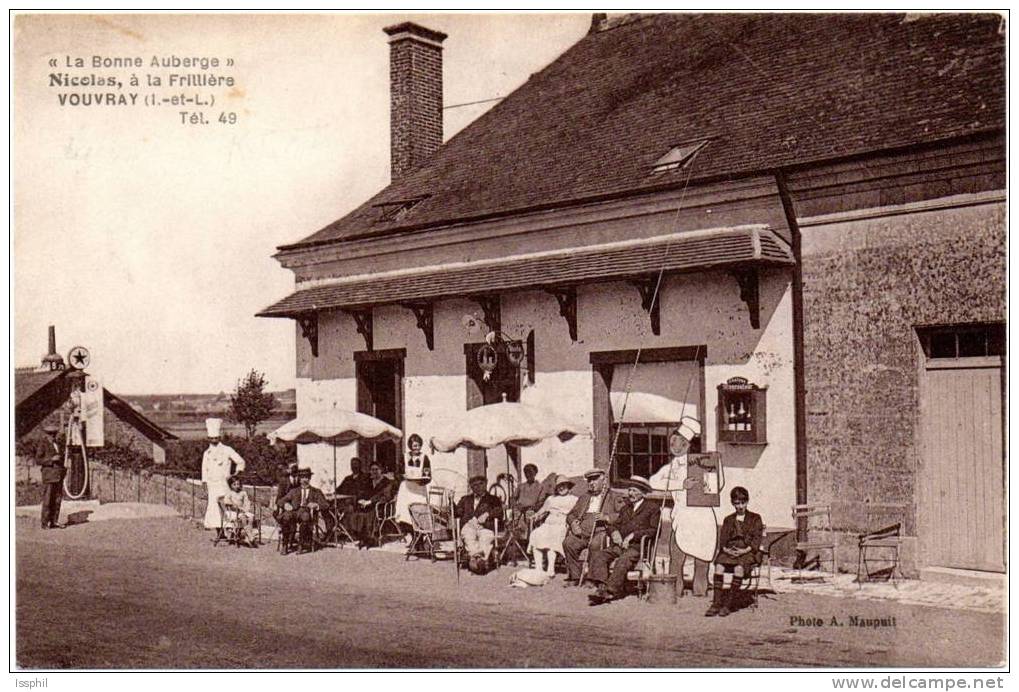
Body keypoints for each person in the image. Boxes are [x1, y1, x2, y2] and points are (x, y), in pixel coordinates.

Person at [649, 416, 717, 597]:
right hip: (683, 517)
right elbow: (653, 481)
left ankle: (700, 591)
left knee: (702, 558)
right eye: (672, 443)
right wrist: (680, 483)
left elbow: (716, 486)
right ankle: (675, 591)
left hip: (703, 517)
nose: (673, 446)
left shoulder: (704, 463)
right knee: (677, 556)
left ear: (687, 445)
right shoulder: (672, 467)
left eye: (677, 443)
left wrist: (708, 481)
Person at [588, 476, 660, 605]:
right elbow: (614, 525)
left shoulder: (652, 508)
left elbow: (654, 530)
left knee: (623, 560)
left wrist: (633, 535)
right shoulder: (625, 508)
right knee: (600, 556)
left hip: (637, 547)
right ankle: (602, 587)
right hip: (620, 545)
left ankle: (611, 591)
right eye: (629, 490)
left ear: (642, 492)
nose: (630, 493)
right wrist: (614, 532)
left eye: (634, 490)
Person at [707, 486, 764, 617]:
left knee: (739, 568)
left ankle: (728, 604)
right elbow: (723, 540)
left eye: (743, 502)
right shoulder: (728, 519)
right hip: (730, 551)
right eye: (737, 503)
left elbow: (756, 540)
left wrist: (743, 551)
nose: (740, 506)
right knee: (719, 566)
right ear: (733, 503)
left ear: (747, 501)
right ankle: (716, 603)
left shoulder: (755, 518)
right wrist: (727, 550)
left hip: (748, 551)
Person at [562, 468, 617, 586]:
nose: (591, 483)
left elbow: (622, 514)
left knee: (595, 544)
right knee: (568, 542)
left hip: (601, 531)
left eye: (595, 480)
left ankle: (593, 578)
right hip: (582, 532)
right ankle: (575, 577)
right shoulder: (584, 497)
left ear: (604, 480)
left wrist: (606, 517)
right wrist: (573, 524)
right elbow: (571, 514)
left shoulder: (612, 496)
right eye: (589, 480)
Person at [526, 475, 578, 579]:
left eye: (563, 485)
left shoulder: (574, 499)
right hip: (548, 524)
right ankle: (539, 568)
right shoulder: (551, 499)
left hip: (562, 524)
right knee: (536, 535)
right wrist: (535, 516)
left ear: (568, 486)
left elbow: (577, 514)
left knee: (553, 538)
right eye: (559, 486)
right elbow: (542, 511)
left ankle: (550, 568)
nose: (561, 488)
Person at [201, 418, 246, 533]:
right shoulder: (207, 453)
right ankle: (219, 533)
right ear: (208, 439)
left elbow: (240, 461)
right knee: (214, 509)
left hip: (224, 484)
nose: (214, 440)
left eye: (216, 438)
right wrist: (204, 483)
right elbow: (204, 470)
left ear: (219, 438)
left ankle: (230, 532)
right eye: (211, 438)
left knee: (226, 507)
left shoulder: (227, 450)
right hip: (212, 485)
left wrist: (235, 474)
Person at [455, 475, 504, 573]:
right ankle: (479, 560)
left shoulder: (493, 499)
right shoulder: (465, 499)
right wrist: (450, 501)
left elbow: (499, 511)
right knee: (469, 537)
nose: (478, 487)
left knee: (485, 538)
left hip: (485, 526)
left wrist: (487, 514)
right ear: (471, 487)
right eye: (474, 485)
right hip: (469, 526)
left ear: (485, 484)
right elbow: (457, 512)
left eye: (481, 484)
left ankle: (477, 560)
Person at [276, 468, 328, 554]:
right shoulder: (294, 491)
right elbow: (280, 501)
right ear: (299, 479)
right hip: (295, 512)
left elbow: (326, 505)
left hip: (306, 512)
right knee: (286, 516)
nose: (304, 480)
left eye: (307, 477)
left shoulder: (316, 491)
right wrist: (285, 505)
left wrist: (316, 505)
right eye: (302, 477)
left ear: (309, 479)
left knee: (305, 517)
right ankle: (285, 544)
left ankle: (301, 543)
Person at [345, 462, 395, 548]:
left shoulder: (387, 482)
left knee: (369, 514)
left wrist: (371, 501)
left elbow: (387, 497)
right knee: (357, 512)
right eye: (372, 470)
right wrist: (361, 500)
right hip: (368, 505)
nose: (374, 472)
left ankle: (372, 539)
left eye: (376, 470)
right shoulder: (368, 481)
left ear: (381, 470)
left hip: (382, 507)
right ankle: (362, 538)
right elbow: (362, 493)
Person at [394, 434, 431, 528]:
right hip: (406, 489)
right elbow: (397, 474)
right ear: (410, 446)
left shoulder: (424, 458)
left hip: (419, 489)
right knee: (405, 513)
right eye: (415, 446)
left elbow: (428, 476)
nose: (417, 448)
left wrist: (422, 481)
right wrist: (403, 476)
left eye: (419, 445)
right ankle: (411, 534)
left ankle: (421, 535)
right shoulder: (404, 457)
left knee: (419, 511)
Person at [35, 424, 66, 529]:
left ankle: (54, 521)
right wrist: (51, 460)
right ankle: (45, 523)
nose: (53, 436)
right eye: (50, 434)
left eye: (54, 434)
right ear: (46, 434)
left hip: (58, 475)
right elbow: (38, 460)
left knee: (57, 499)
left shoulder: (57, 444)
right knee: (48, 500)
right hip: (49, 475)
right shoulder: (43, 444)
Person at [221, 475, 257, 545]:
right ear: (230, 485)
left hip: (242, 510)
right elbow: (227, 503)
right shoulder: (229, 493)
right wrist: (236, 507)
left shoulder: (243, 493)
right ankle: (249, 535)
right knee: (243, 517)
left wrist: (246, 508)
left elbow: (247, 502)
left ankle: (248, 535)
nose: (237, 486)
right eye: (234, 484)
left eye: (238, 484)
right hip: (233, 512)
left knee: (251, 517)